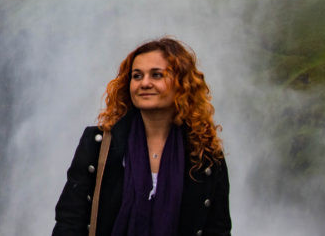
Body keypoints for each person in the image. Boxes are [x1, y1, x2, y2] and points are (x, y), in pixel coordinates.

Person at [52, 37, 231, 236]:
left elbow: (218, 230)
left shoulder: (205, 154)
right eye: (137, 76)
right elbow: (69, 221)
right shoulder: (98, 144)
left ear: (182, 83)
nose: (145, 83)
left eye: (156, 75)